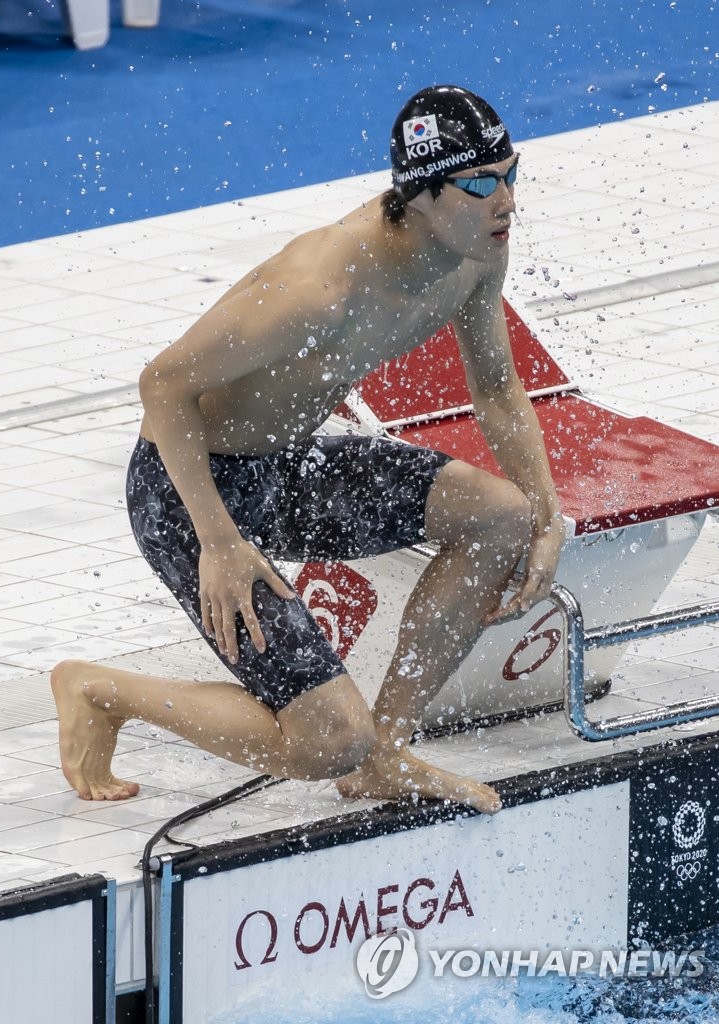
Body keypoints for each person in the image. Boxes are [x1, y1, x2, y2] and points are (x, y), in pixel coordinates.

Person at [51, 85, 564, 814]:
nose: (506, 200)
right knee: (326, 742)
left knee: (502, 516)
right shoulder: (317, 287)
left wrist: (547, 517)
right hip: (188, 490)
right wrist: (218, 542)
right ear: (418, 194)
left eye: (513, 173)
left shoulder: (477, 255)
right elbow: (162, 386)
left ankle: (384, 754)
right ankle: (101, 691)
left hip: (288, 464)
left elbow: (499, 389)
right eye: (481, 184)